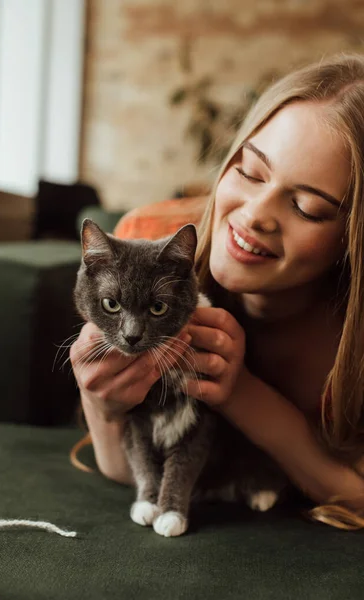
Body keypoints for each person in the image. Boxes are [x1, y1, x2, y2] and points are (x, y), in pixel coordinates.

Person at [70, 53, 364, 529]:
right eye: (249, 171)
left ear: (354, 239)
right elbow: (123, 472)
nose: (253, 216)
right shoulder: (145, 244)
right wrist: (103, 403)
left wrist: (238, 391)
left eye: (307, 207)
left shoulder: (351, 343)